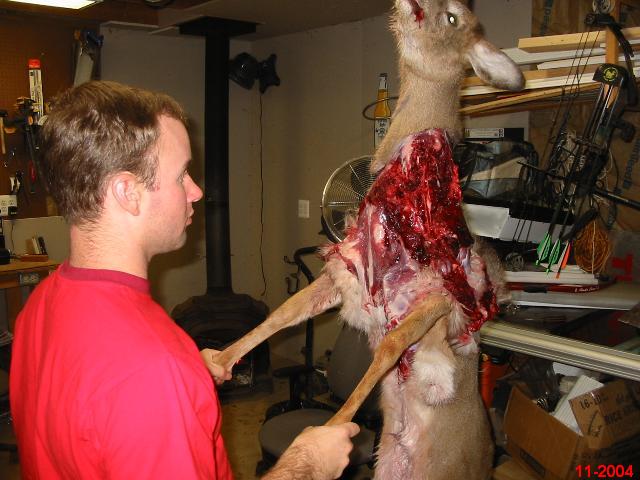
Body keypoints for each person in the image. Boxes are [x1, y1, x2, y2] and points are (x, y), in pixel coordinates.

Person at [10, 80, 359, 479]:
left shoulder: (40, 304)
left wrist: (187, 375)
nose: (196, 191)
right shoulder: (152, 370)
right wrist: (307, 465)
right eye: (181, 176)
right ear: (127, 192)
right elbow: (137, 382)